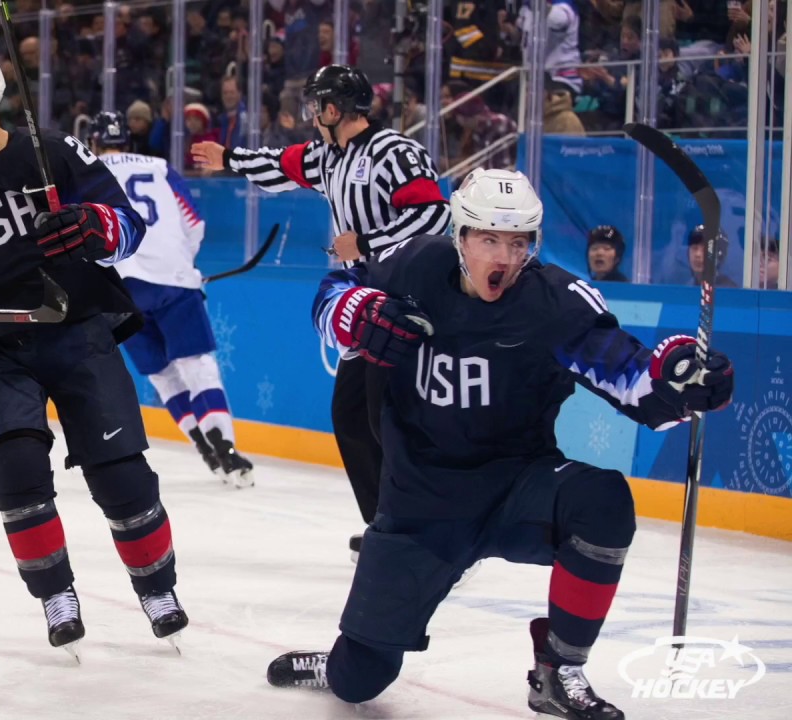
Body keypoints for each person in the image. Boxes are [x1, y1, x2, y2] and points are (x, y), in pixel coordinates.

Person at [265, 168, 735, 720]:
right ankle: (339, 664)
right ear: (461, 236)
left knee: (603, 502)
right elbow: (334, 293)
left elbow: (632, 381)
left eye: (518, 243)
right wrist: (354, 313)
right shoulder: (416, 264)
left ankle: (559, 672)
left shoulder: (556, 302)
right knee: (360, 682)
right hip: (420, 504)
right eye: (489, 239)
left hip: (518, 486)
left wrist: (681, 380)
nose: (506, 258)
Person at [0, 48, 188, 660]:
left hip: (76, 329)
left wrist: (93, 224)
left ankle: (156, 588)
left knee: (121, 472)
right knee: (16, 473)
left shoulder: (54, 153)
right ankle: (55, 595)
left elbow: (130, 226)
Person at [191, 64, 451, 560]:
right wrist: (228, 158)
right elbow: (281, 165)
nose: (310, 116)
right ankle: (387, 525)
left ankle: (419, 528)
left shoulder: (394, 153)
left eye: (316, 106)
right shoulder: (328, 156)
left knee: (383, 415)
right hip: (364, 298)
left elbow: (435, 214)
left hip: (406, 295)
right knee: (350, 415)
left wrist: (367, 241)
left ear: (334, 109)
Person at [89, 110, 255, 487]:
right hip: (173, 280)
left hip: (119, 289)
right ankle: (226, 449)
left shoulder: (86, 171)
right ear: (127, 141)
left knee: (163, 375)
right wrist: (182, 264)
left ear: (94, 143)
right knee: (195, 363)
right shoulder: (160, 167)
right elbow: (193, 224)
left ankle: (201, 444)